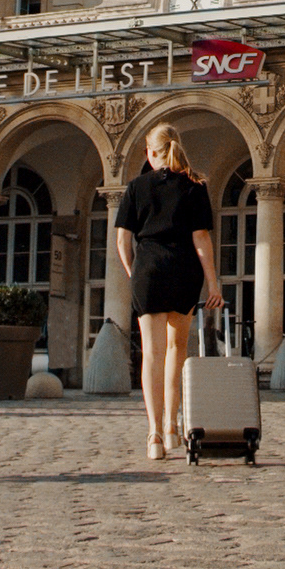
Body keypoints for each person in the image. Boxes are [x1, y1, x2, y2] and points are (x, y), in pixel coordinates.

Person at [113, 123, 223, 460]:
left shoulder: (136, 186)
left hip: (149, 271)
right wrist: (213, 282)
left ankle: (154, 435)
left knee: (152, 353)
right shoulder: (195, 186)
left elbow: (122, 240)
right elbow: (201, 239)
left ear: (150, 151)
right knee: (178, 350)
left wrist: (136, 273)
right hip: (184, 271)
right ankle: (174, 428)